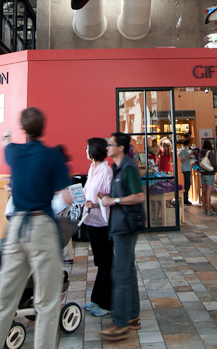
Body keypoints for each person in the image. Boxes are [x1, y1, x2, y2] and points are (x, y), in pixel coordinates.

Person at [0, 108, 70, 349]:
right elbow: (63, 191)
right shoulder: (52, 156)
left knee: (4, 299)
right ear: (43, 128)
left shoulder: (14, 153)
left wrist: (8, 136)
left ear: (24, 129)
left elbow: (5, 144)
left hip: (16, 226)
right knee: (47, 301)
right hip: (42, 226)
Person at [98, 132, 145, 341]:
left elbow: (139, 196)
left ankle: (120, 324)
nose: (107, 147)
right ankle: (133, 317)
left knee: (121, 274)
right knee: (127, 271)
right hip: (120, 225)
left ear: (121, 148)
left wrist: (114, 201)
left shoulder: (128, 168)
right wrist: (106, 198)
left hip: (126, 226)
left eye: (111, 144)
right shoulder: (118, 168)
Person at [82, 137, 113, 317]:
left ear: (94, 150)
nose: (85, 150)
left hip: (103, 223)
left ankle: (107, 303)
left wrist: (95, 204)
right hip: (91, 221)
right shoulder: (92, 168)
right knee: (100, 262)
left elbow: (109, 197)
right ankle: (96, 299)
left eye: (87, 147)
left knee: (107, 263)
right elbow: (88, 192)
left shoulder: (106, 171)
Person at [197, 140, 217, 215]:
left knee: (204, 192)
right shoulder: (210, 153)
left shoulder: (200, 153)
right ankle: (209, 210)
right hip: (209, 173)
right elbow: (214, 163)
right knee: (208, 193)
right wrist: (216, 168)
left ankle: (204, 209)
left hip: (202, 174)